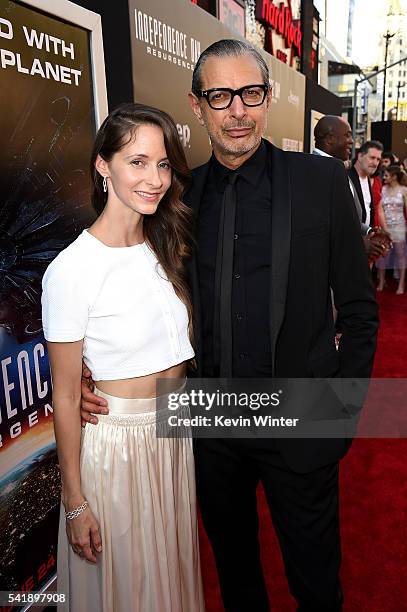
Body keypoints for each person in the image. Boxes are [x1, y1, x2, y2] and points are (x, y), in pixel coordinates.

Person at [81, 40, 378, 611]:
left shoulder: (318, 184)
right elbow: (135, 294)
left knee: (317, 585)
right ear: (198, 105)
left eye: (249, 93)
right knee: (237, 581)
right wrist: (87, 367)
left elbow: (361, 313)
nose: (236, 110)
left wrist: (343, 411)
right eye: (221, 96)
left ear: (267, 100)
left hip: (303, 415)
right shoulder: (177, 198)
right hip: (212, 426)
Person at [42, 103, 205, 612]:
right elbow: (66, 396)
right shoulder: (72, 270)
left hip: (171, 443)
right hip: (118, 454)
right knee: (130, 590)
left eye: (161, 164)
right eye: (136, 162)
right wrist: (75, 501)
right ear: (102, 165)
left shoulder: (165, 246)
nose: (154, 179)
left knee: (168, 582)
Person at [313, 116, 390, 261]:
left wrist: (368, 230)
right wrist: (359, 243)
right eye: (347, 135)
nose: (352, 141)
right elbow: (318, 225)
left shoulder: (337, 169)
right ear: (330, 139)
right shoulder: (314, 171)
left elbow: (343, 217)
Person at [376, 164, 407, 294]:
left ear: (394, 177)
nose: (384, 177)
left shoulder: (404, 190)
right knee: (383, 256)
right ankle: (382, 281)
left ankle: (401, 284)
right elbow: (380, 210)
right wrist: (385, 228)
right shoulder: (382, 189)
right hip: (385, 228)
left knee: (401, 255)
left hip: (400, 228)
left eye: (387, 175)